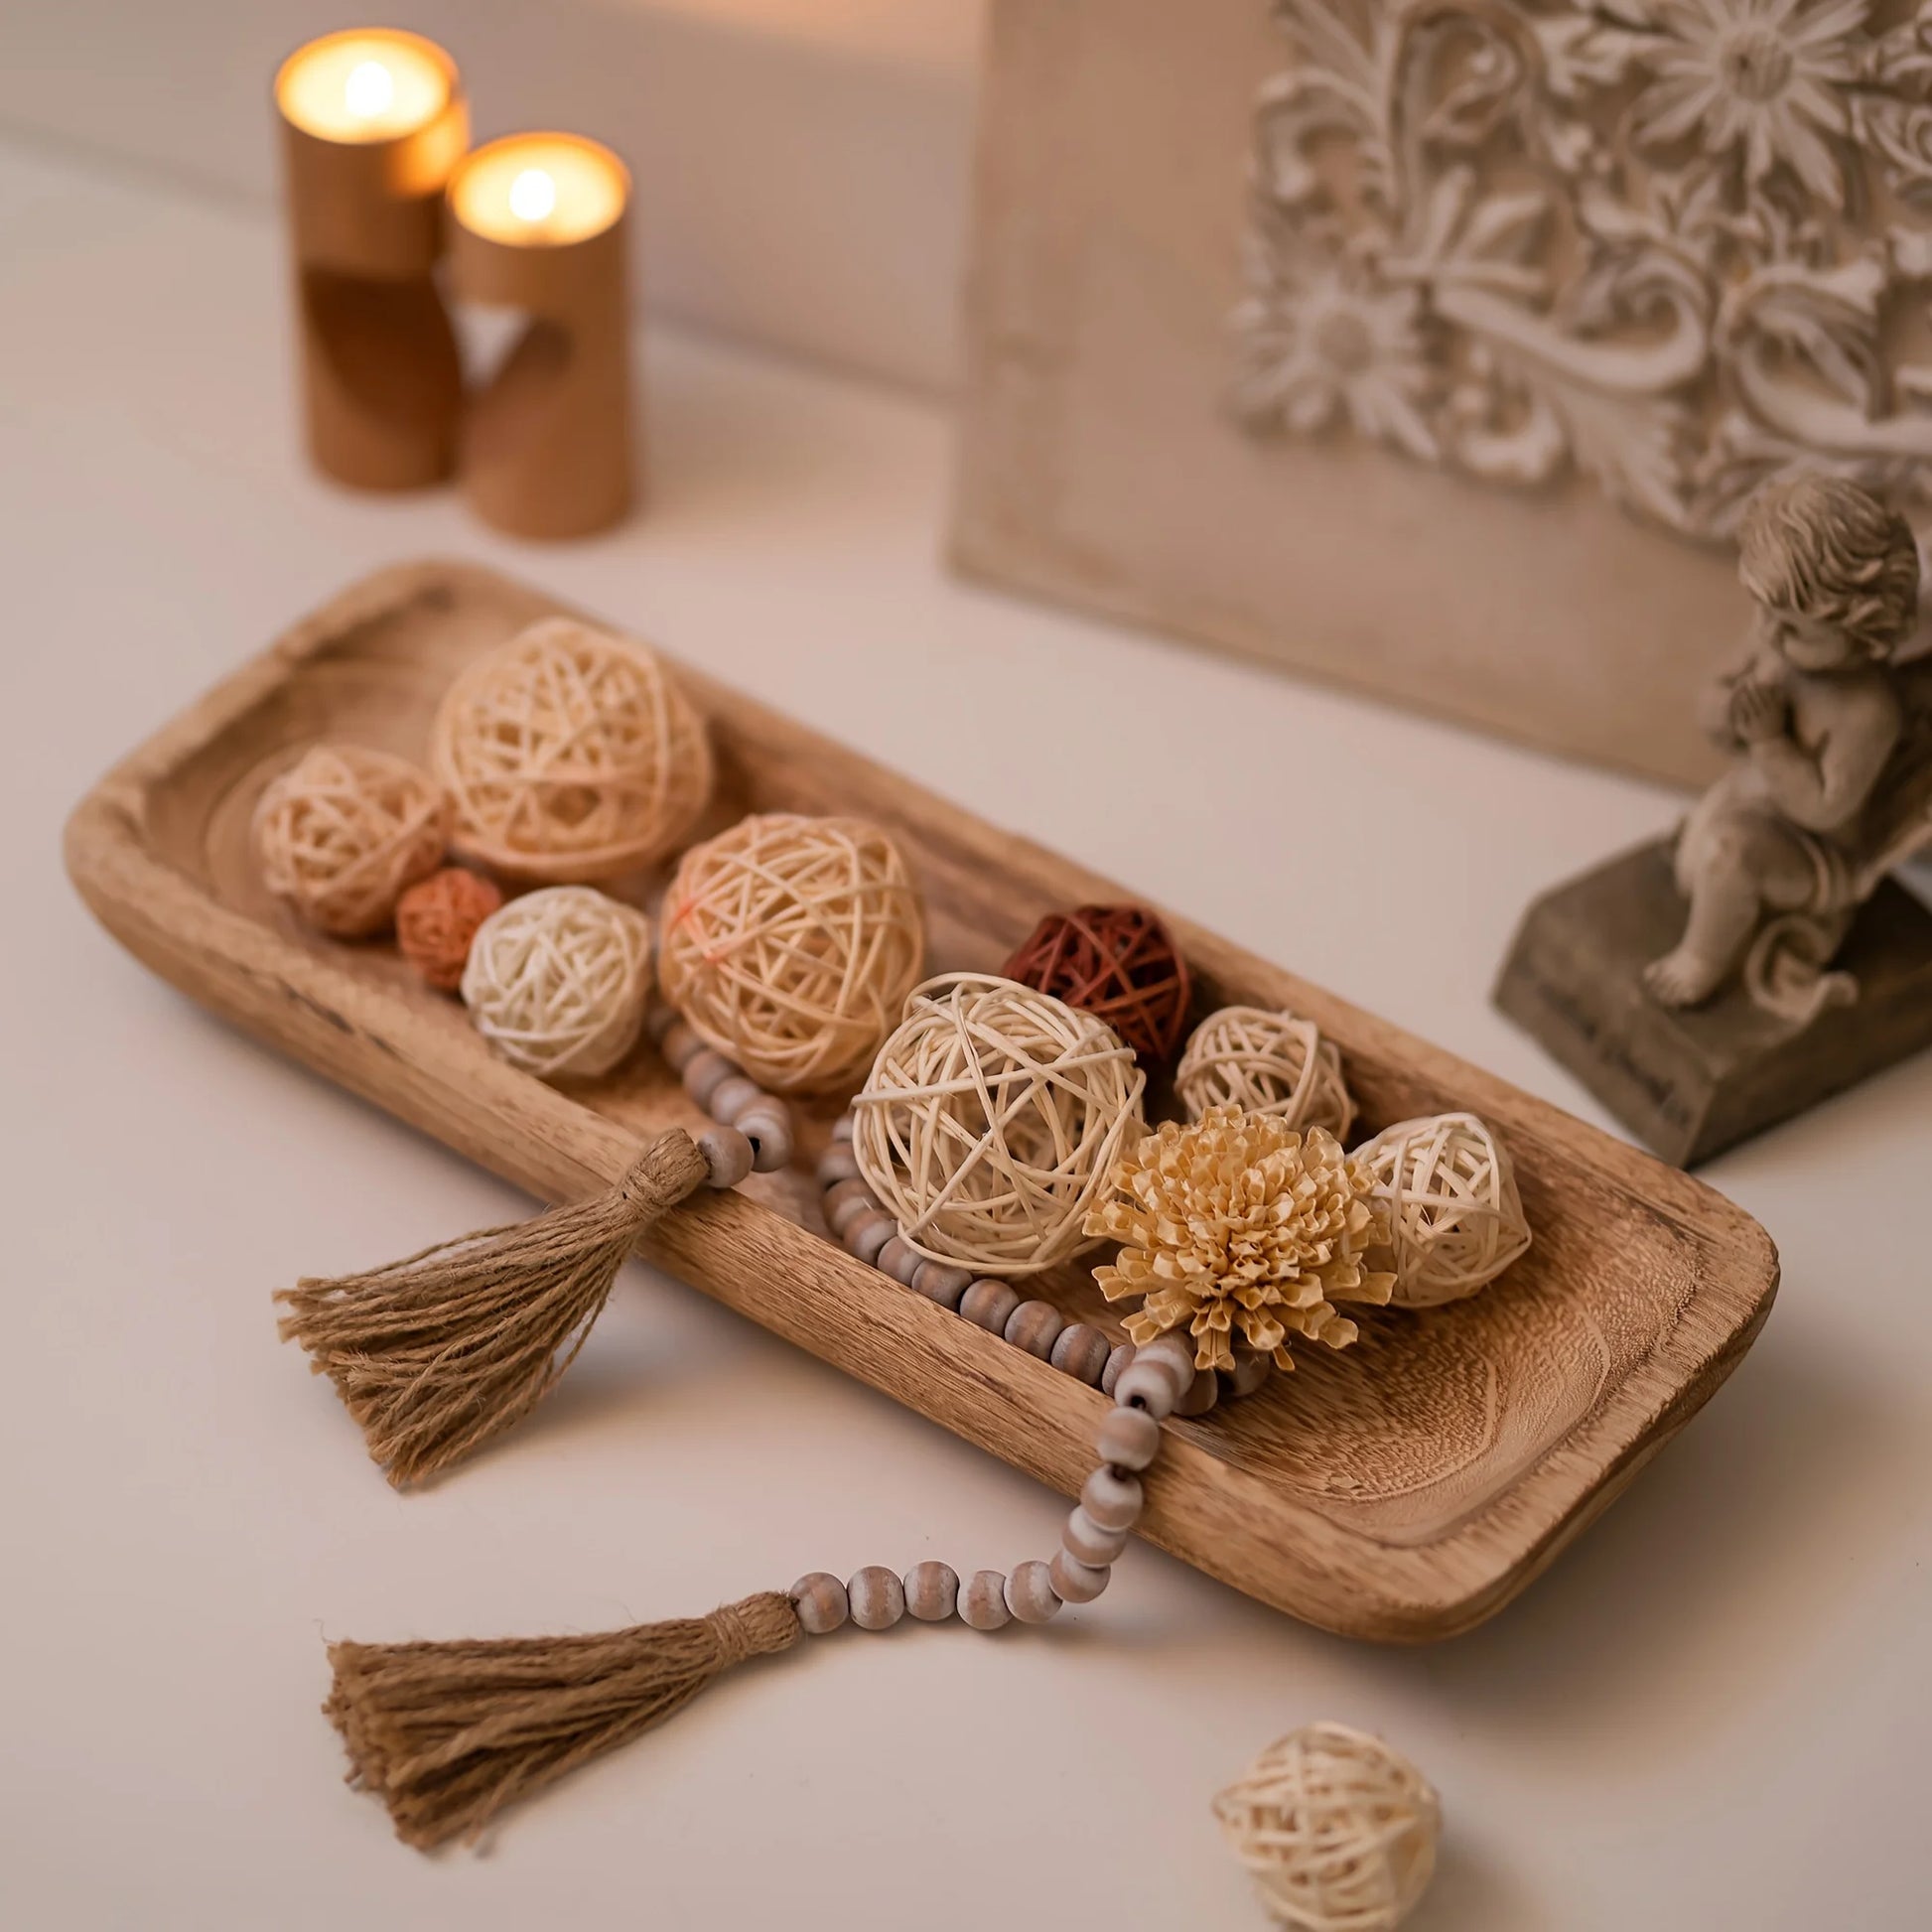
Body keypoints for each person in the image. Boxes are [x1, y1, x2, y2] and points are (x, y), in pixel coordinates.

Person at [1645, 474, 1923, 1012]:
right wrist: (1727, 712)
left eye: (1795, 629)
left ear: (1864, 630)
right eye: (1763, 612)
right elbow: (1710, 705)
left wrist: (1771, 742)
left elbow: (1823, 809)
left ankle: (1701, 960)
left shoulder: (1867, 711)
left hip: (1816, 853)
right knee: (1717, 843)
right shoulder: (1772, 640)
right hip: (1745, 802)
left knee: (1732, 858)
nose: (1770, 635)